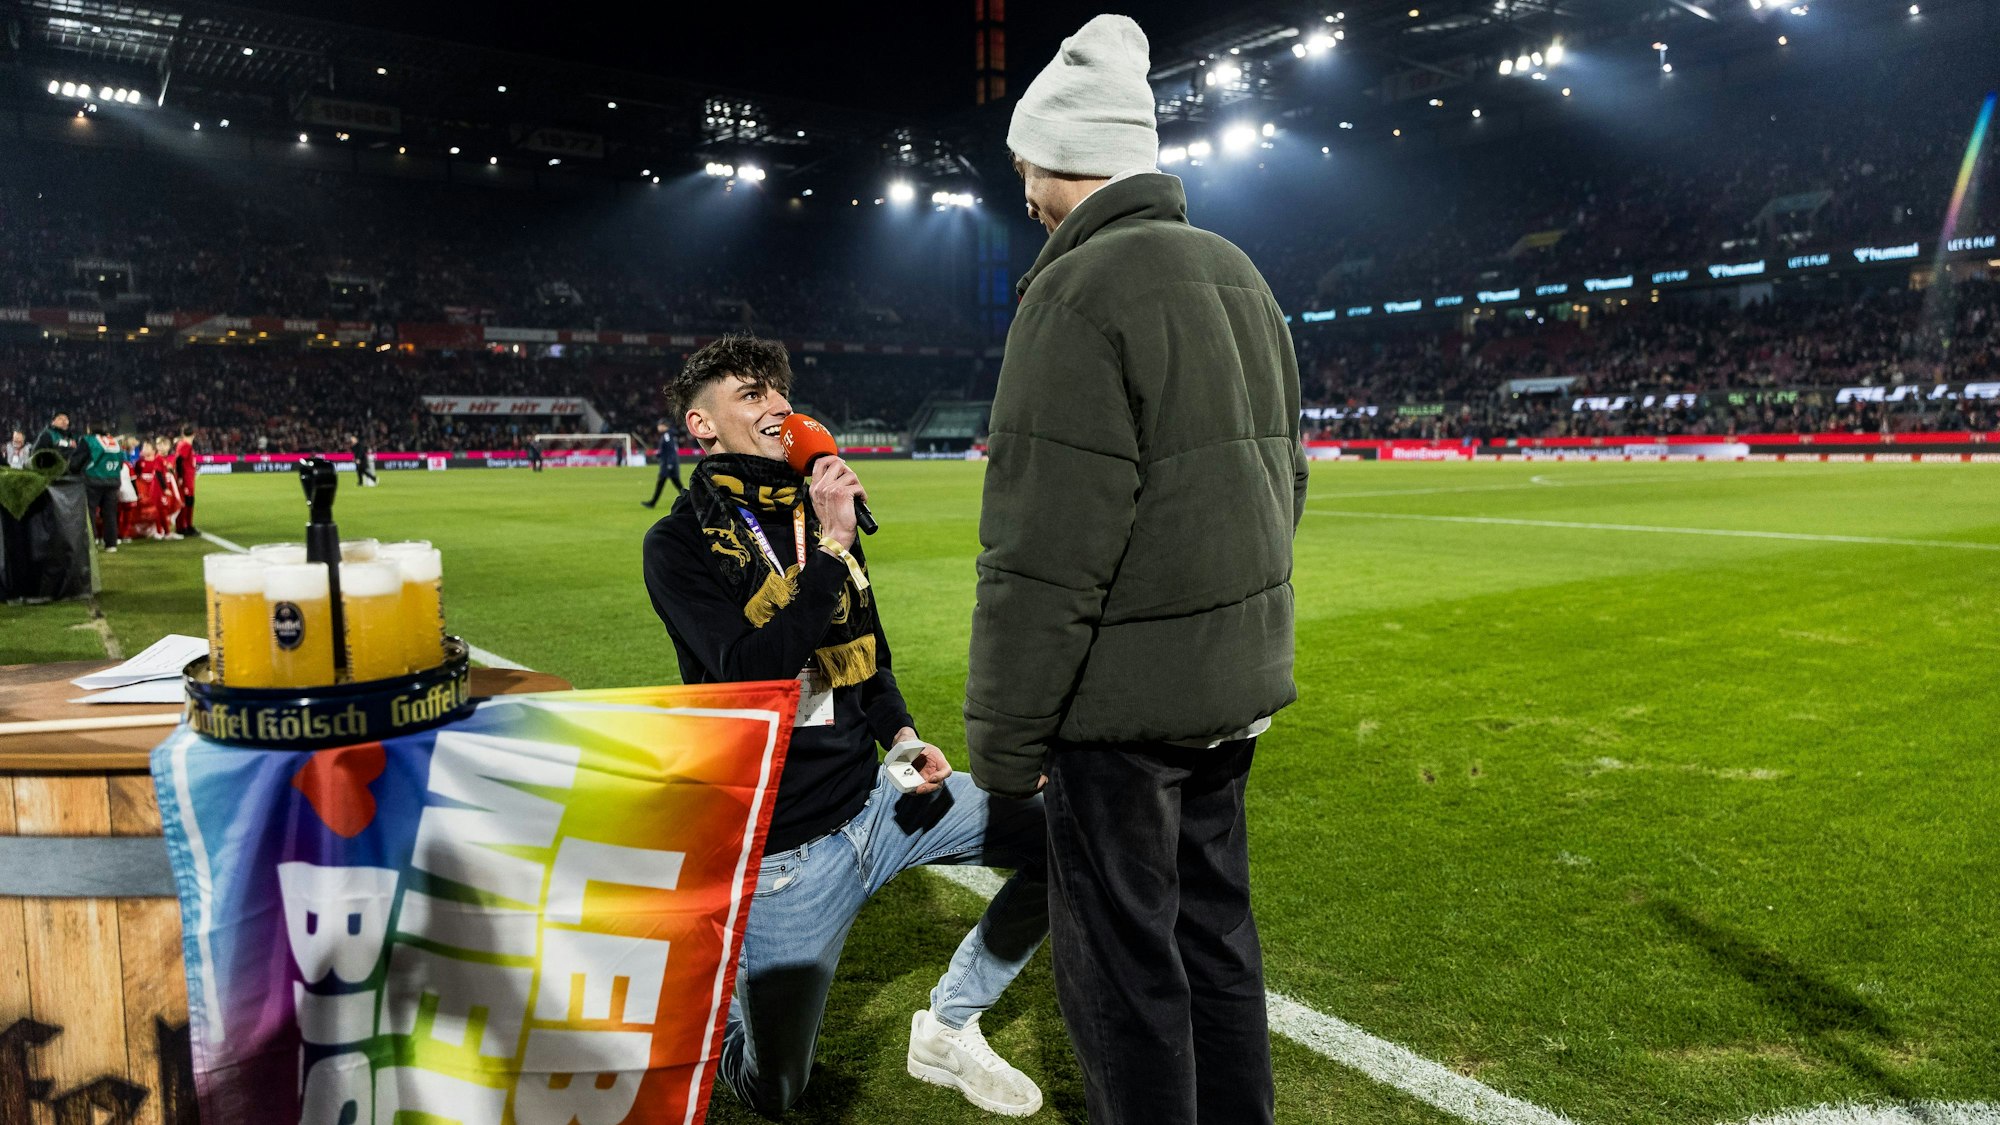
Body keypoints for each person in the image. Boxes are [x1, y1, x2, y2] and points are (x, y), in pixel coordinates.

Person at [963, 15, 1307, 1125]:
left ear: (1060, 153)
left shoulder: (1074, 295)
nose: (1015, 176)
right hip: (1229, 690)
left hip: (1118, 717)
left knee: (1122, 973)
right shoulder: (1237, 273)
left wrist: (1006, 746)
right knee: (1215, 944)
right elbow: (1284, 483)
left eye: (1021, 154)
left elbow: (1042, 555)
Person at [643, 335, 1048, 1118]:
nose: (777, 405)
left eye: (779, 392)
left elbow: (869, 657)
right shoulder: (680, 544)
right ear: (702, 424)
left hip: (880, 802)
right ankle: (716, 994)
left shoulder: (813, 517)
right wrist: (830, 548)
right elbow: (748, 673)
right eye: (751, 394)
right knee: (777, 1089)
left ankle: (950, 1025)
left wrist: (901, 736)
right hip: (787, 849)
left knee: (1065, 837)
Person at [83, 426, 124, 552]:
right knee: (110, 514)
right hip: (113, 481)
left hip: (93, 480)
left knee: (90, 513)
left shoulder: (89, 440)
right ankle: (111, 544)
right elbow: (121, 463)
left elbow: (80, 459)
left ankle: (92, 541)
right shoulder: (115, 442)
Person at [640, 420, 684, 508]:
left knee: (664, 483)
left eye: (659, 426)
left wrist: (670, 464)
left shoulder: (667, 435)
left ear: (664, 426)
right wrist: (658, 455)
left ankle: (652, 503)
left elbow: (671, 450)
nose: (658, 428)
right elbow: (667, 450)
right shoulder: (668, 435)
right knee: (677, 485)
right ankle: (690, 500)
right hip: (669, 464)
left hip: (668, 465)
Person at [172, 425, 199, 535]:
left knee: (188, 501)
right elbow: (179, 461)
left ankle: (185, 526)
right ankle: (185, 527)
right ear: (193, 434)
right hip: (186, 479)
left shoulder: (183, 444)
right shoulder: (186, 446)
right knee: (187, 501)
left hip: (188, 478)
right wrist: (181, 477)